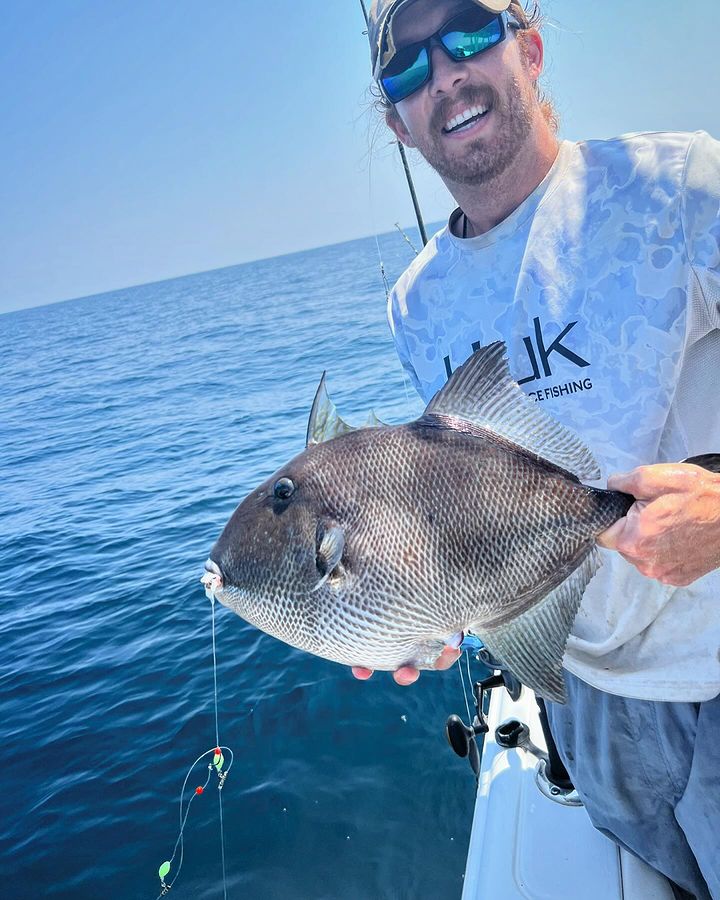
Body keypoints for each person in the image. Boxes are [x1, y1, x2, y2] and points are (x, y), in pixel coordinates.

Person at [354, 0, 720, 897]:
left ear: (532, 45)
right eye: (406, 67)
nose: (443, 74)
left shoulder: (680, 185)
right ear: (397, 121)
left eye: (469, 33)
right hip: (579, 697)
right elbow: (458, 494)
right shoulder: (416, 302)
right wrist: (420, 605)